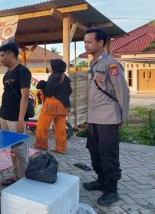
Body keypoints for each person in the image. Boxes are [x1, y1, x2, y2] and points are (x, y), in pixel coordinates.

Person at [83, 28, 130, 206]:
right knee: (95, 153)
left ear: (100, 43)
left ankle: (112, 189)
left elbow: (122, 92)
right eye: (85, 42)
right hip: (94, 118)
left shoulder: (111, 64)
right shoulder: (93, 64)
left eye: (89, 41)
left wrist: (122, 116)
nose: (86, 45)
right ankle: (101, 180)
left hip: (109, 118)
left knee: (108, 154)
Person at [0, 42, 31, 186]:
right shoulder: (7, 73)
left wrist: (21, 120)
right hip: (4, 116)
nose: (0, 58)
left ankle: (22, 181)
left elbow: (24, 97)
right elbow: (6, 96)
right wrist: (0, 118)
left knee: (20, 151)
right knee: (12, 149)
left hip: (15, 118)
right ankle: (16, 176)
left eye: (2, 55)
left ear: (11, 54)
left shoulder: (23, 72)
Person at [34, 59, 72, 153]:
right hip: (63, 105)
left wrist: (43, 86)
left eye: (52, 66)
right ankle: (61, 148)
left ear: (56, 66)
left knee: (42, 125)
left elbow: (48, 92)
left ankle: (41, 145)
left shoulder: (54, 76)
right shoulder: (65, 77)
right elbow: (70, 91)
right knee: (60, 129)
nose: (51, 68)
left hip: (52, 104)